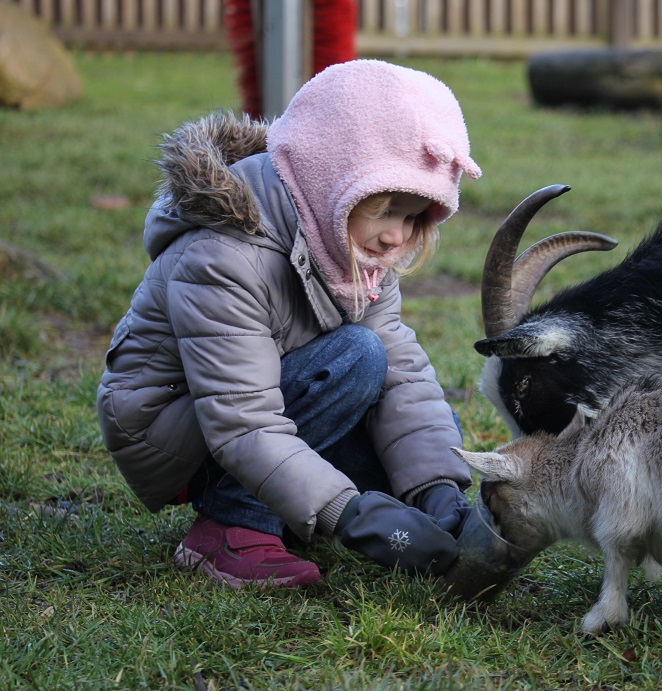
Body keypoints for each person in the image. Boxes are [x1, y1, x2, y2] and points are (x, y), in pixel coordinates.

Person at [96, 60, 485, 588]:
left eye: (414, 216)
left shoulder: (356, 248)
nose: (397, 236)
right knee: (357, 356)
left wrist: (437, 487)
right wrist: (354, 517)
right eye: (388, 207)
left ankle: (295, 509)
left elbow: (404, 377)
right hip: (179, 428)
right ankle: (228, 529)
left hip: (280, 403)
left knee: (397, 448)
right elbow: (240, 420)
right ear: (330, 177)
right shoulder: (224, 254)